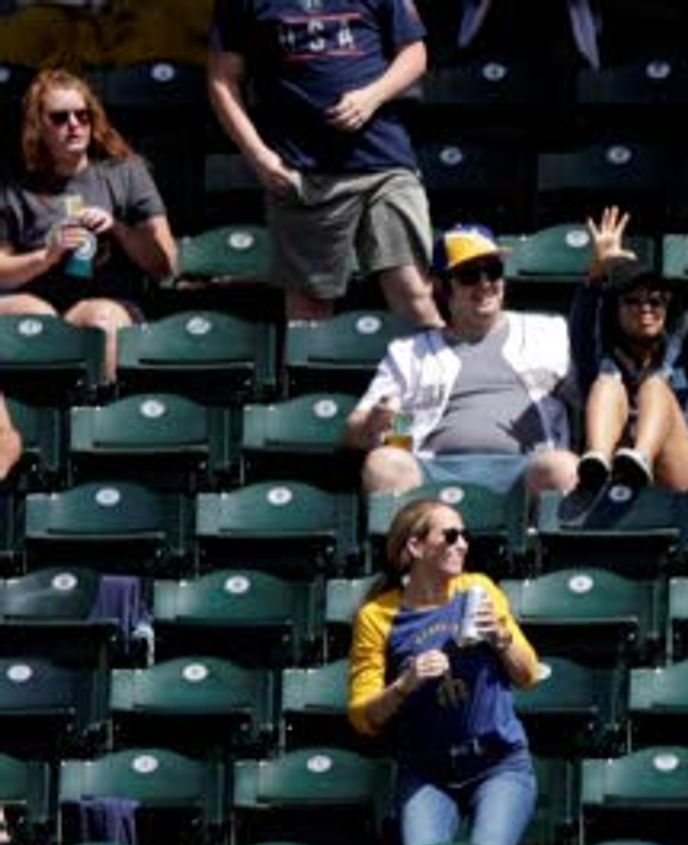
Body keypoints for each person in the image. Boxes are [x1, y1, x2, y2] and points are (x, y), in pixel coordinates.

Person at [206, 0, 438, 330]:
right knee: (309, 310)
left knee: (413, 293)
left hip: (383, 162)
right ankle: (314, 384)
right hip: (303, 173)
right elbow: (221, 79)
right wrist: (258, 155)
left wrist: (372, 96)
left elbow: (415, 54)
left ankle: (443, 381)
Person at [347, 493, 544, 845]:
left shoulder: (478, 589)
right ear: (416, 547)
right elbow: (363, 716)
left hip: (498, 762)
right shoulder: (378, 616)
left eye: (464, 535)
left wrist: (501, 639)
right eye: (450, 536)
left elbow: (528, 674)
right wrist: (404, 685)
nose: (463, 544)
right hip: (427, 772)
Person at [348, 226, 585, 503]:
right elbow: (353, 430)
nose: (485, 284)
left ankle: (549, 545)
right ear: (442, 286)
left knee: (564, 467)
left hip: (525, 468)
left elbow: (590, 393)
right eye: (469, 275)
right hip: (432, 470)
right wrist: (374, 421)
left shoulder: (547, 332)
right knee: (382, 465)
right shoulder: (409, 352)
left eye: (493, 270)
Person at [567, 195, 688, 499]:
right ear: (615, 310)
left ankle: (640, 458)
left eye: (655, 301)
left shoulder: (685, 353)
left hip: (679, 480)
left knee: (655, 388)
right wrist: (597, 271)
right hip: (611, 481)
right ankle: (597, 463)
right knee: (605, 384)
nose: (645, 308)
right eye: (632, 300)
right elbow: (581, 328)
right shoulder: (600, 357)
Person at [0, 72, 180, 379]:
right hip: (37, 300)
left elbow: (166, 265)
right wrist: (46, 257)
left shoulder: (126, 173)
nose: (74, 124)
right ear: (37, 127)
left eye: (82, 115)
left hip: (109, 300)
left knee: (101, 319)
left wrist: (117, 229)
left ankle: (100, 418)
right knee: (34, 315)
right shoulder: (14, 189)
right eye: (59, 117)